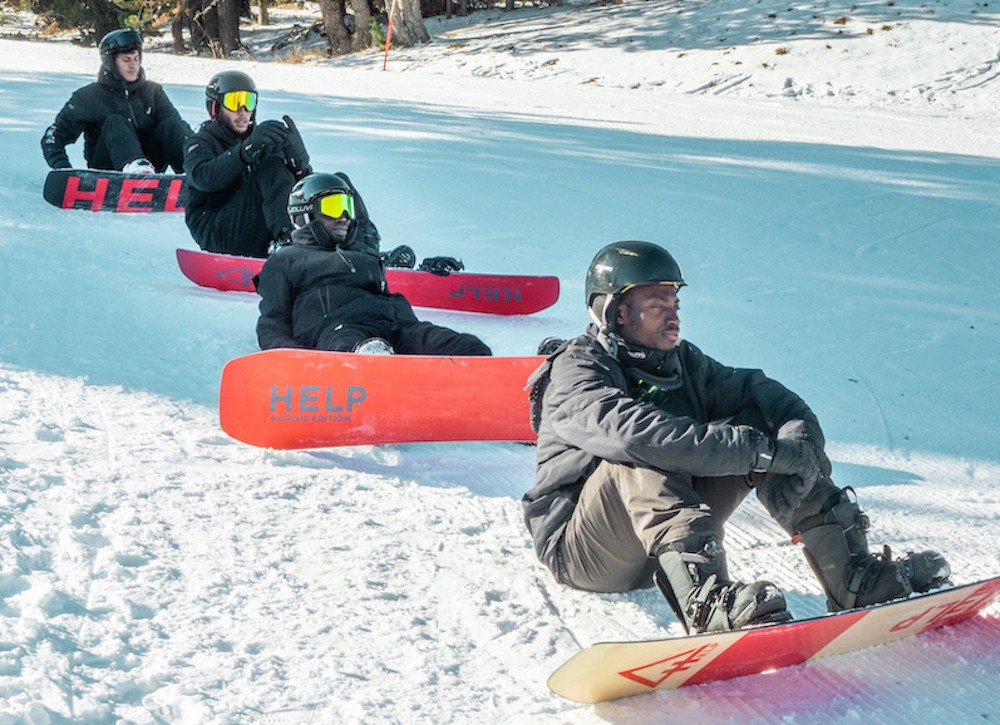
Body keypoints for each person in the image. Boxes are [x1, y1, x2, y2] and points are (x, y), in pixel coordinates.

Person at [522, 240, 950, 634]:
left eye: (675, 302)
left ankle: (853, 577)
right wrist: (760, 455)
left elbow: (762, 395)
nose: (674, 316)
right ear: (616, 312)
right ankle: (707, 603)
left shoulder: (681, 362)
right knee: (640, 453)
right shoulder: (577, 370)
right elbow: (636, 434)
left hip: (655, 546)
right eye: (657, 305)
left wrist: (798, 449)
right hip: (585, 552)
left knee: (759, 424)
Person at [255, 172, 492, 356]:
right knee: (359, 349)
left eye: (347, 207)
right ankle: (371, 375)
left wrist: (425, 270)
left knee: (468, 347)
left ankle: (475, 397)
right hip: (339, 330)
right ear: (305, 214)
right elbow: (272, 323)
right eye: (334, 207)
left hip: (397, 327)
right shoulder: (285, 260)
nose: (345, 216)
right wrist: (290, 360)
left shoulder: (362, 254)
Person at [184, 70, 312, 258]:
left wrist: (300, 167)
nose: (243, 111)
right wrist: (244, 153)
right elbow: (203, 178)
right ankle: (287, 241)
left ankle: (358, 243)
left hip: (259, 230)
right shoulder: (200, 141)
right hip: (217, 231)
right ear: (216, 107)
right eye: (234, 102)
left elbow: (291, 193)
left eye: (249, 102)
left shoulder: (261, 140)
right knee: (272, 167)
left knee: (336, 183)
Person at [40, 29, 191, 175]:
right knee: (116, 122)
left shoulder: (153, 91)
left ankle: (193, 173)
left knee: (172, 125)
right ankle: (136, 169)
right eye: (126, 60)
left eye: (136, 59)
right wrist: (64, 171)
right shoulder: (89, 96)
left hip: (151, 167)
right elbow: (53, 137)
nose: (133, 66)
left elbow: (177, 132)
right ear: (111, 62)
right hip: (107, 169)